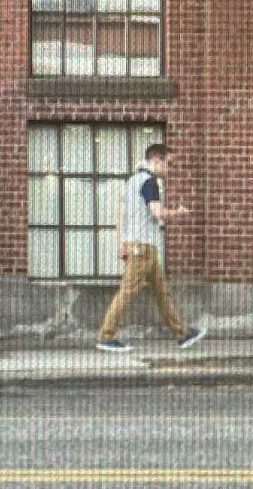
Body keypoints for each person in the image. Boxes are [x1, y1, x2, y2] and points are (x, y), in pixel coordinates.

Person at [96, 142, 206, 352]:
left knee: (161, 291)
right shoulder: (150, 182)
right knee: (127, 292)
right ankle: (105, 335)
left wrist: (122, 244)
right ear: (156, 160)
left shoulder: (131, 182)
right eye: (167, 163)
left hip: (137, 245)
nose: (168, 168)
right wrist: (179, 213)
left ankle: (181, 333)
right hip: (143, 246)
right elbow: (157, 213)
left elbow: (120, 218)